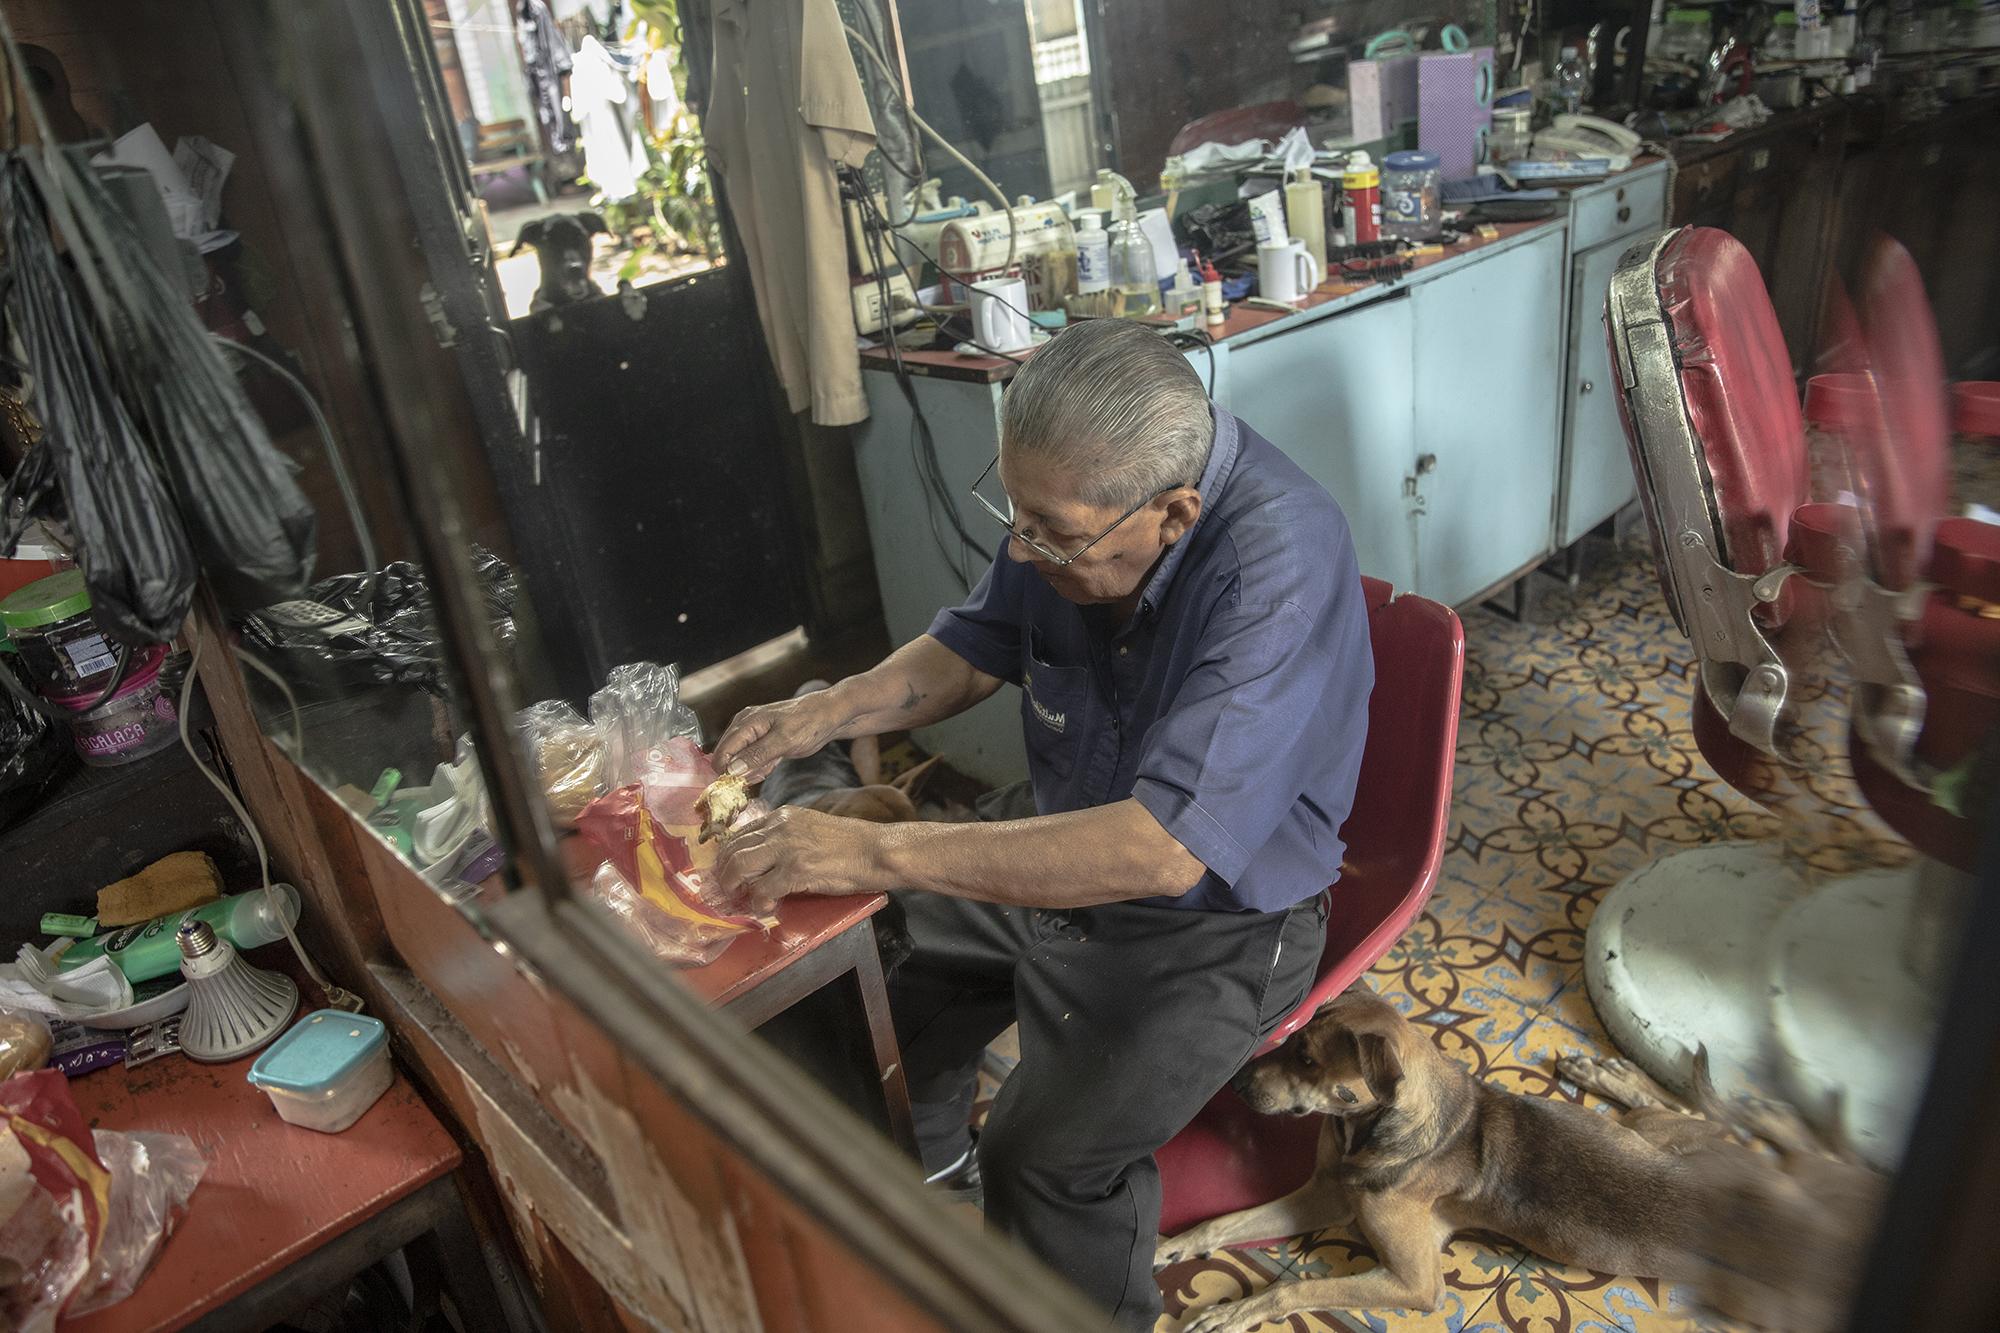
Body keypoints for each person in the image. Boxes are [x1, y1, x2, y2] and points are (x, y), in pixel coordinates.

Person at [713, 318, 1374, 1329]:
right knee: (871, 972)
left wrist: (874, 845)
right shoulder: (1071, 502)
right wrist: (829, 708)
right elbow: (975, 645)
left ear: (1173, 514)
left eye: (1050, 535)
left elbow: (1158, 849)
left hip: (1221, 911)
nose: (1023, 549)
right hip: (1073, 825)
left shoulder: (1278, 558)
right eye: (1013, 517)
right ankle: (931, 1179)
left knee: (1048, 1155)